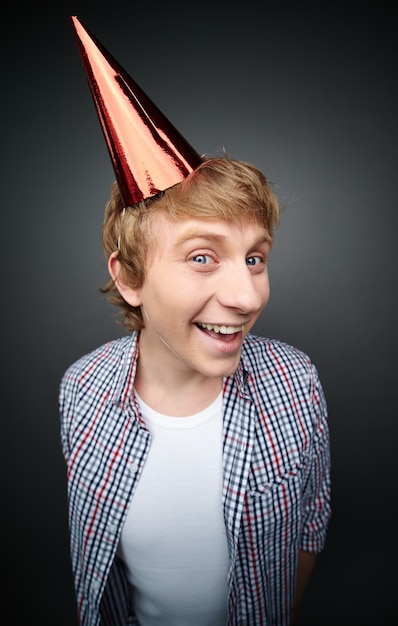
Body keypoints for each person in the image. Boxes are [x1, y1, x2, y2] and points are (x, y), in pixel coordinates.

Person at [60, 16, 331, 626]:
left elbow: (312, 517)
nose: (247, 295)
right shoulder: (79, 390)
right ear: (130, 277)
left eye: (255, 258)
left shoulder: (296, 383)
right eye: (202, 257)